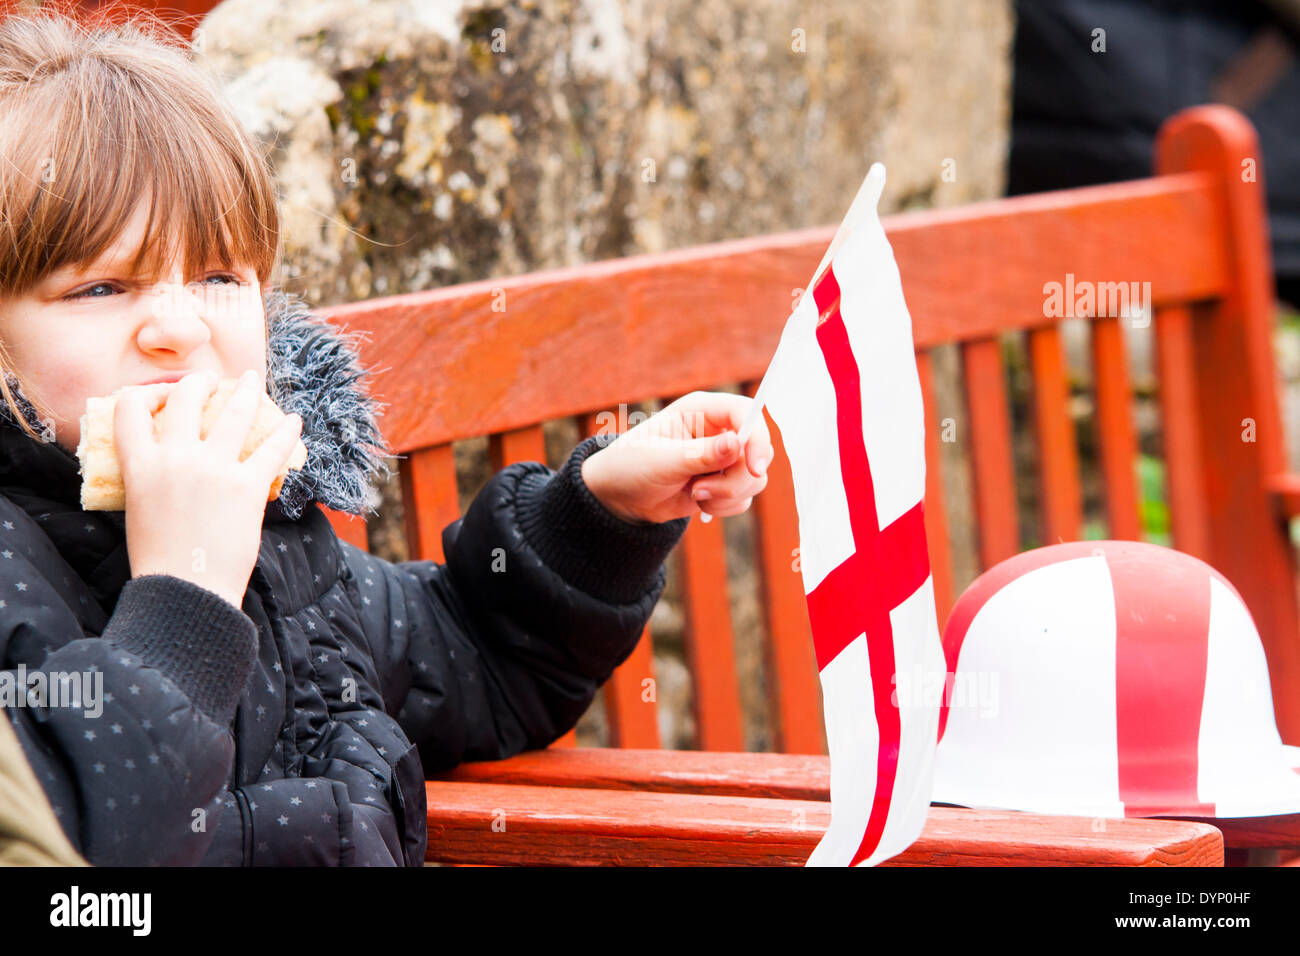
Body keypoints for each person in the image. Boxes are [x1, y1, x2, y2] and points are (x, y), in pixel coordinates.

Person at [0, 9, 773, 865]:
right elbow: (76, 861)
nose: (180, 329)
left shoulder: (283, 544)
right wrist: (184, 599)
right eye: (103, 287)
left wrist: (601, 512)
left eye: (219, 276)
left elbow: (477, 660)